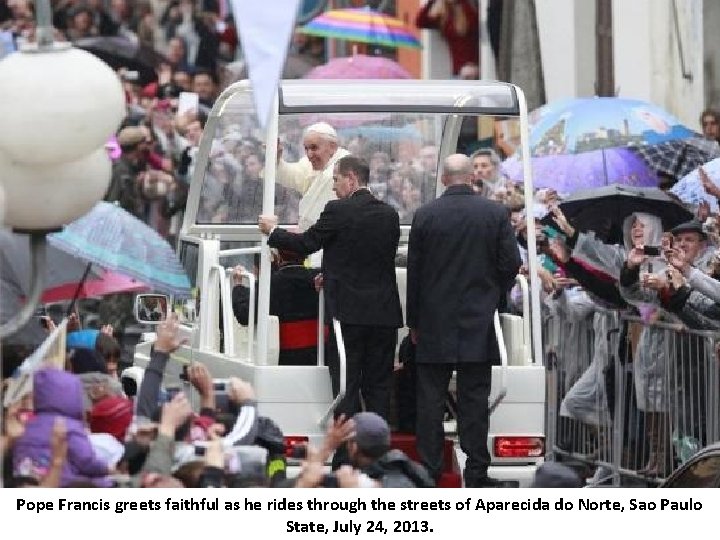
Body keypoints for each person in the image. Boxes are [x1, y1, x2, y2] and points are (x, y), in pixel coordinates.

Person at [258, 155, 403, 423]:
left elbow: (306, 244)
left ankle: (347, 452)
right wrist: (332, 274)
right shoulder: (390, 215)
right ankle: (377, 449)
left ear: (351, 179)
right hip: (384, 315)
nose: (334, 187)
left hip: (349, 315)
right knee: (379, 387)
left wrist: (273, 231)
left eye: (335, 180)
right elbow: (369, 259)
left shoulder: (338, 209)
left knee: (346, 386)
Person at [406, 153, 521, 487]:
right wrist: (495, 296)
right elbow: (511, 262)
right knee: (474, 401)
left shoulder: (425, 216)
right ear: (473, 178)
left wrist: (414, 321)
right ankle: (476, 472)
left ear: (443, 178)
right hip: (478, 320)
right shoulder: (494, 213)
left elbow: (415, 274)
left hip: (433, 322)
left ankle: (428, 471)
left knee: (430, 400)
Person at [231, 249, 323, 366]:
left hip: (285, 360)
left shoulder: (270, 284)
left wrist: (238, 286)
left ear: (279, 257)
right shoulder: (319, 279)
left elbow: (244, 315)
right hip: (321, 357)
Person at [276, 122, 350, 230]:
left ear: (332, 147)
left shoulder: (344, 168)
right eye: (306, 149)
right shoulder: (314, 163)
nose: (309, 154)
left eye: (314, 148)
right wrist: (277, 159)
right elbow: (293, 175)